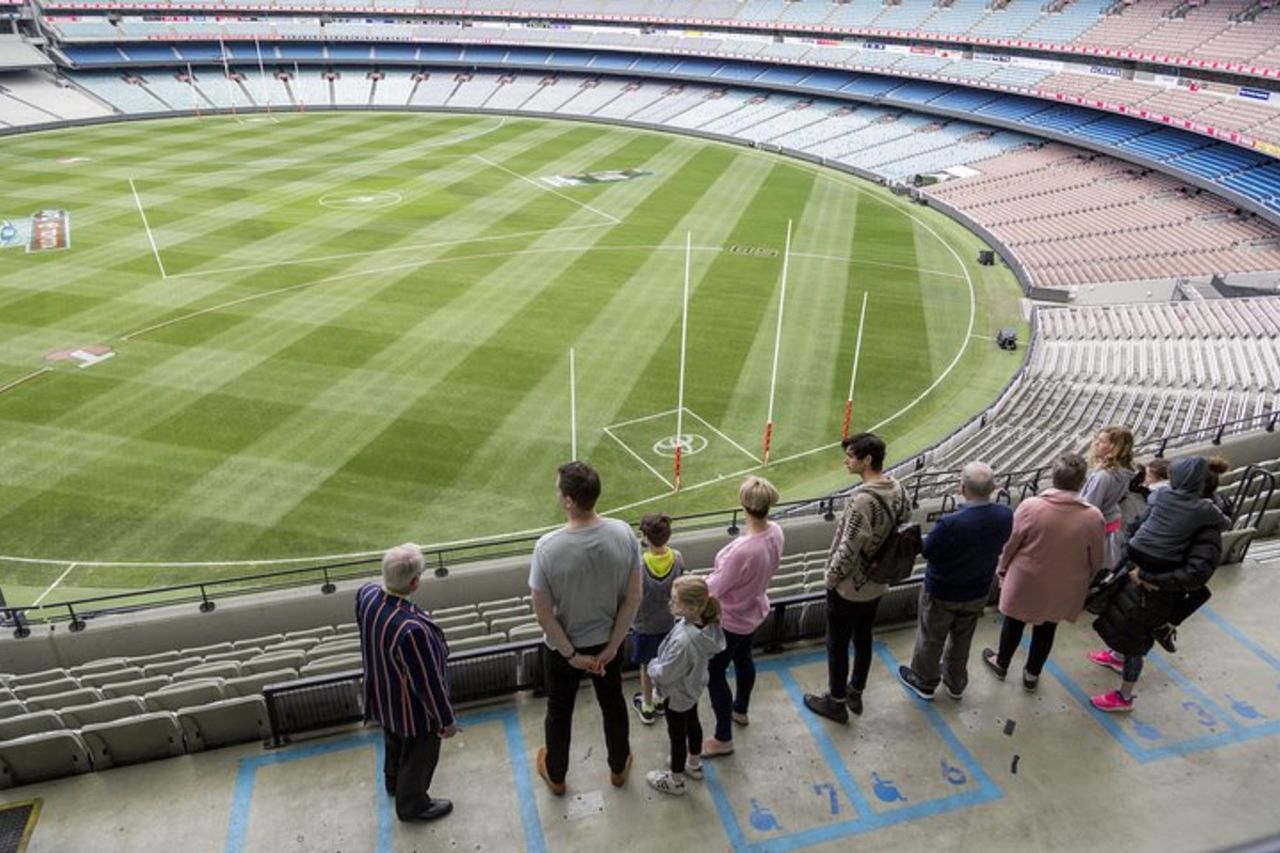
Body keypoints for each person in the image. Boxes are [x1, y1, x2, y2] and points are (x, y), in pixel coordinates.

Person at [530, 461, 643, 795]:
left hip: (564, 651)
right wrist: (610, 649)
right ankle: (618, 766)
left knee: (559, 712)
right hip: (608, 645)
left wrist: (571, 654)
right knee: (613, 705)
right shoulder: (623, 532)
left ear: (569, 501)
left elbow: (543, 614)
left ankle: (557, 775)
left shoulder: (547, 548)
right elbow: (633, 598)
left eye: (558, 490)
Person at [1089, 456, 1224, 712]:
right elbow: (1136, 527)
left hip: (1156, 591)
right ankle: (1117, 656)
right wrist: (1133, 558)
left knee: (1136, 642)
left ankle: (1125, 697)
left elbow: (1197, 572)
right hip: (1136, 577)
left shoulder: (1206, 525)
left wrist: (1151, 578)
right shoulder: (1168, 505)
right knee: (1124, 624)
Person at [804, 432, 911, 723]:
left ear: (866, 460)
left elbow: (848, 548)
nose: (846, 461)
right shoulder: (898, 488)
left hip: (850, 587)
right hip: (878, 582)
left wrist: (830, 578)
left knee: (837, 644)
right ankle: (855, 691)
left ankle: (837, 701)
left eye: (851, 456)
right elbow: (906, 518)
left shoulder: (861, 500)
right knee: (864, 637)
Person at [982, 452, 1105, 691]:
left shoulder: (1031, 506)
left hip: (1027, 578)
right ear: (1082, 482)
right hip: (1065, 584)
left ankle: (1002, 662)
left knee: (1014, 622)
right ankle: (1031, 675)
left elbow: (1011, 544)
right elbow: (1097, 559)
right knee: (1047, 627)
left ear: (1053, 477)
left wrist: (1003, 567)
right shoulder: (1093, 516)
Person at [356, 544, 457, 823]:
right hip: (412, 712)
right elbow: (428, 683)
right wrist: (445, 720)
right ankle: (412, 805)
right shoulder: (411, 630)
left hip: (382, 695)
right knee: (419, 755)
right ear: (413, 582)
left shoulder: (367, 596)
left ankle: (393, 782)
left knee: (393, 740)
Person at [898, 461, 1013, 701]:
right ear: (993, 487)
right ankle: (956, 681)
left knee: (931, 637)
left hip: (943, 592)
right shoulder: (1004, 514)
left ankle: (925, 681)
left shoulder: (951, 523)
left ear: (962, 488)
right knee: (963, 638)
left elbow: (928, 551)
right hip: (978, 590)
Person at [701, 476, 784, 757]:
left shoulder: (744, 550)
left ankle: (723, 737)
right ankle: (741, 709)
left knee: (715, 674)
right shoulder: (776, 532)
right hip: (753, 612)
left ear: (744, 505)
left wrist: (692, 584)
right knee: (744, 659)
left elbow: (715, 587)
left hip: (732, 620)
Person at [645, 576, 726, 796]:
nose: (670, 604)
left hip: (678, 692)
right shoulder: (704, 625)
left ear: (692, 607)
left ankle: (676, 779)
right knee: (693, 723)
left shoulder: (684, 642)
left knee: (677, 734)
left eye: (674, 600)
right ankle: (694, 763)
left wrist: (652, 667)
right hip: (693, 688)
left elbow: (667, 673)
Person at [631, 512, 685, 725]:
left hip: (644, 626)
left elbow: (636, 597)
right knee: (663, 663)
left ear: (644, 536)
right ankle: (660, 698)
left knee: (646, 665)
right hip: (668, 624)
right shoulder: (677, 557)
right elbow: (679, 586)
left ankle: (647, 706)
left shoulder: (641, 565)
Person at [1081, 426, 1136, 570]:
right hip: (1110, 525)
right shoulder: (1124, 472)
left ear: (1114, 447)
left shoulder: (1103, 476)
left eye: (1102, 441)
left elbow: (1089, 506)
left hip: (1097, 530)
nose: (1096, 443)